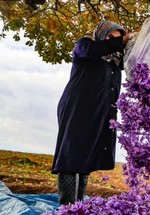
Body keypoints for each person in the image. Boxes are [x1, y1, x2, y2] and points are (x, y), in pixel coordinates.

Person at [51, 21, 131, 205]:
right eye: (110, 37)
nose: (113, 42)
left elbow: (136, 59)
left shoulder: (114, 62)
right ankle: (67, 207)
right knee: (72, 154)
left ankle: (77, 205)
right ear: (101, 34)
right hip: (77, 107)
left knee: (86, 155)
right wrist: (122, 41)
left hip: (99, 110)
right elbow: (92, 50)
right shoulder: (85, 45)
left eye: (117, 39)